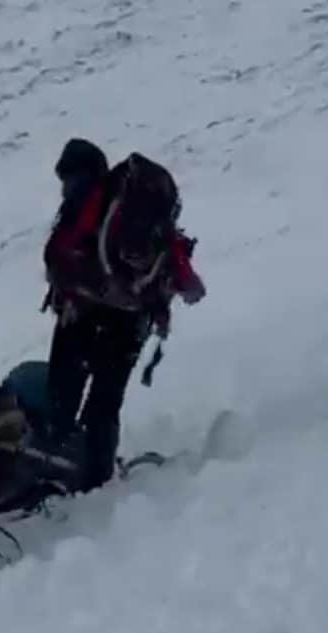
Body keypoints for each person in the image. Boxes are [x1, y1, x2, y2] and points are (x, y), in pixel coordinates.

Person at [40, 139, 207, 492]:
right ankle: (96, 480)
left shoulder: (91, 207)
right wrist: (184, 286)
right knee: (105, 401)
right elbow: (177, 264)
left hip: (83, 315)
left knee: (63, 396)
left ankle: (56, 474)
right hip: (131, 321)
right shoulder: (128, 206)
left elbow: (57, 258)